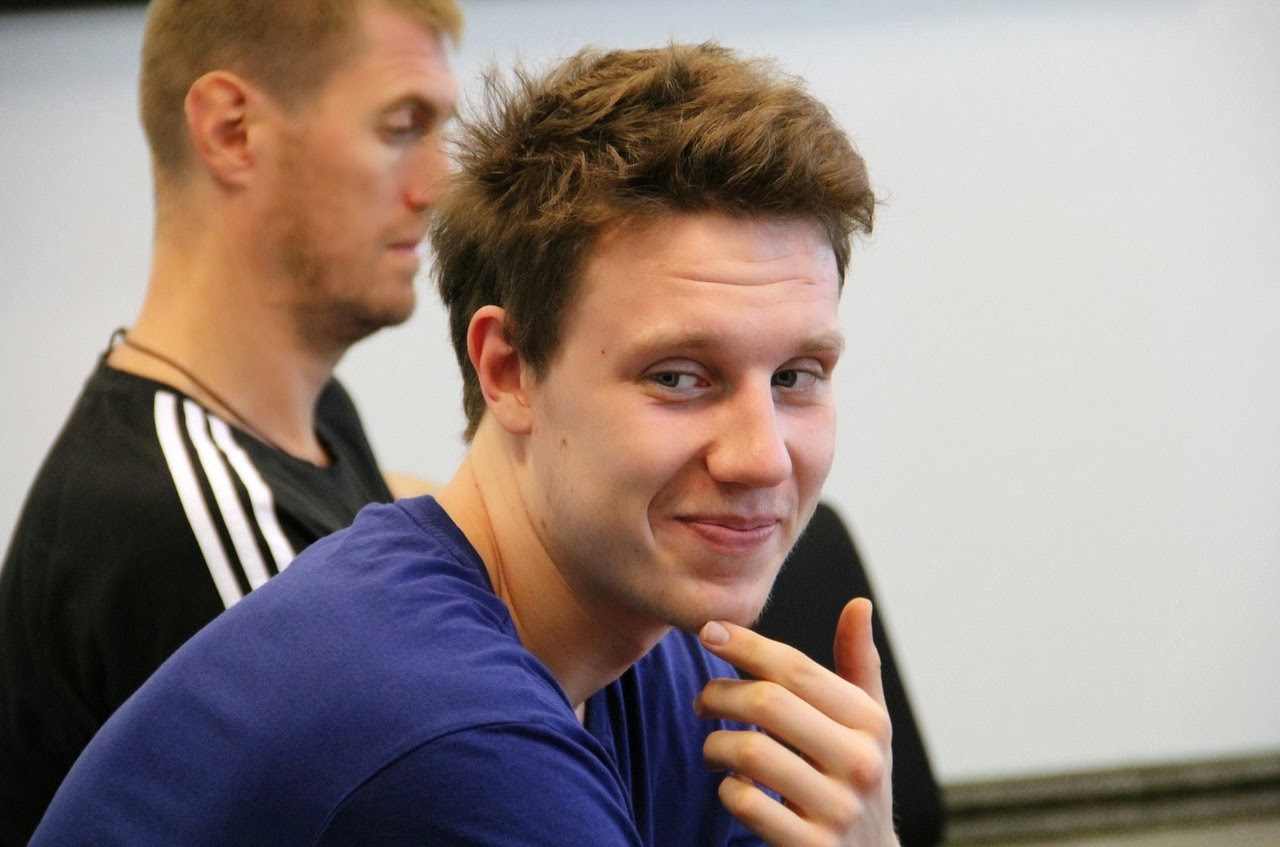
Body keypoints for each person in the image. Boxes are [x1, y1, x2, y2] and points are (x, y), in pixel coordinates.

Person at [32, 41, 895, 846]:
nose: (761, 457)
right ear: (509, 370)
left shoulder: (647, 649)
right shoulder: (455, 733)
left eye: (796, 376)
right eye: (677, 376)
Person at [0, 0, 463, 842]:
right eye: (402, 128)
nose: (439, 186)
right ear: (231, 131)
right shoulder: (174, 518)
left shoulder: (306, 418)